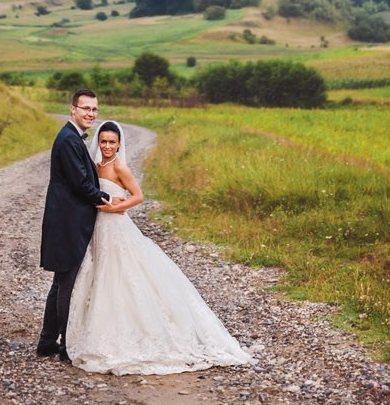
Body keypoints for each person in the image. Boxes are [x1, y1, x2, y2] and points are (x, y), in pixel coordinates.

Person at [66, 120, 255, 375]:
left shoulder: (120, 167)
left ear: (119, 144)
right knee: (100, 271)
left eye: (112, 142)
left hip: (116, 226)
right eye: (103, 142)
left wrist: (116, 207)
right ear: (98, 143)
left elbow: (138, 196)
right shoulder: (96, 166)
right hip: (98, 228)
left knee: (120, 273)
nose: (107, 146)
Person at [37, 90, 129, 361]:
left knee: (60, 283)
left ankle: (47, 341)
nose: (90, 114)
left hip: (64, 221)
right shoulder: (68, 140)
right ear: (73, 110)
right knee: (67, 285)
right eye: (85, 108)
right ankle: (67, 346)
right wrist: (109, 200)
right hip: (67, 223)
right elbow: (80, 184)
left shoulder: (71, 138)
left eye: (94, 109)